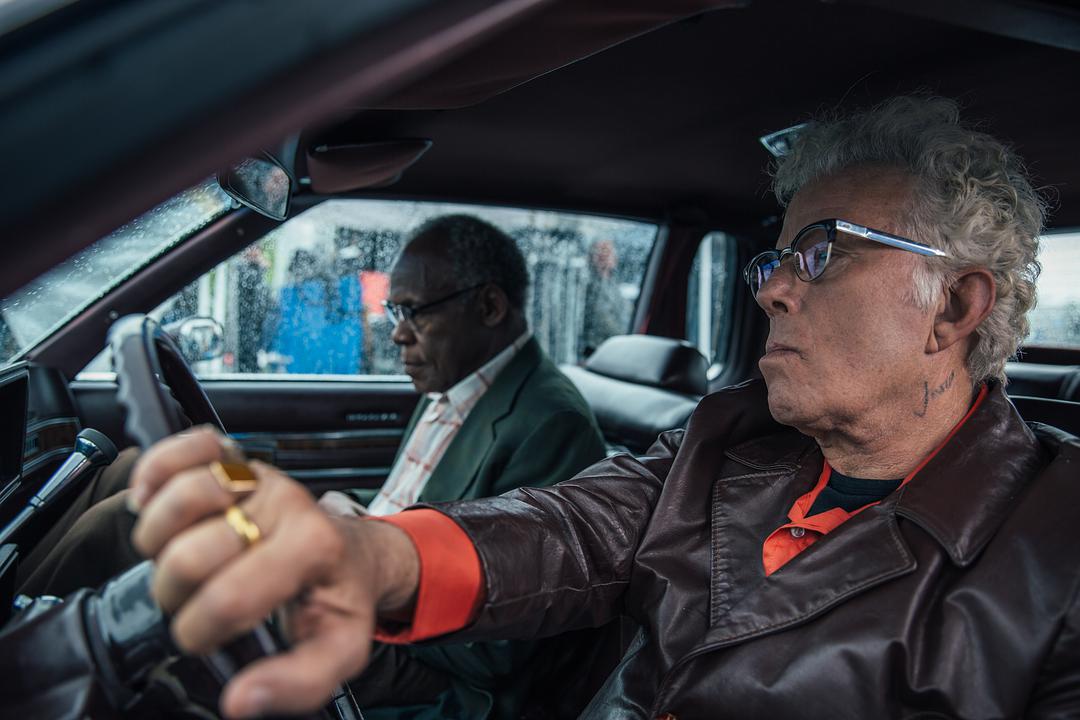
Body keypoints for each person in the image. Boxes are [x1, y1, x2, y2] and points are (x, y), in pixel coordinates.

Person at [128, 95, 1080, 720]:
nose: (774, 290)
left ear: (954, 306)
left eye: (820, 253)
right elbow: (569, 530)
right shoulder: (733, 435)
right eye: (774, 259)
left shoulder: (1057, 547)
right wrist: (371, 557)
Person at [17, 215, 606, 719]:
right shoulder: (458, 382)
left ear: (490, 306)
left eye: (413, 312)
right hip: (362, 566)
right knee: (133, 470)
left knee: (132, 521)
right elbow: (406, 498)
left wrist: (361, 553)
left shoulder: (549, 421)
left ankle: (21, 661)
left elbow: (503, 640)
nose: (396, 334)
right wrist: (338, 512)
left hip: (430, 663)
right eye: (393, 310)